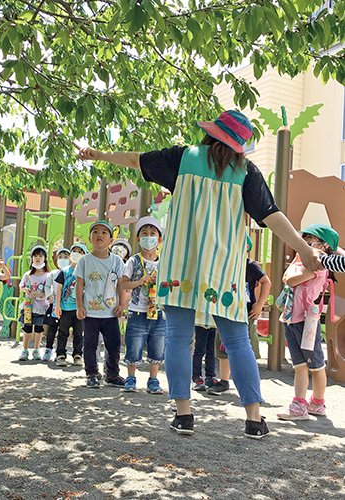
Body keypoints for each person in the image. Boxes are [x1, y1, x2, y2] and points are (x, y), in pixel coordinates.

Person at [75, 109, 322, 438]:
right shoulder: (245, 171)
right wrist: (304, 250)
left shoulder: (184, 158)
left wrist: (100, 154)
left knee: (178, 338)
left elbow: (137, 160)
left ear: (210, 134)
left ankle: (184, 415)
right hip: (225, 270)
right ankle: (253, 419)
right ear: (238, 145)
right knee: (237, 342)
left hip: (181, 266)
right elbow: (270, 214)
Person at [277, 224, 338, 421]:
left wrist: (296, 261)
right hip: (292, 318)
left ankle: (316, 402)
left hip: (307, 322)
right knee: (299, 364)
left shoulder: (317, 267)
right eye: (305, 240)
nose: (305, 244)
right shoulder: (304, 262)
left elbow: (290, 279)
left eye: (311, 241)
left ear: (325, 247)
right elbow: (286, 277)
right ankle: (301, 403)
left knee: (316, 365)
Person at [209, 235, 272, 395]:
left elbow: (267, 282)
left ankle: (250, 381)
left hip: (246, 312)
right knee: (222, 347)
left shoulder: (250, 266)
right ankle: (224, 380)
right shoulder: (223, 265)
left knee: (247, 345)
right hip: (225, 311)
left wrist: (259, 304)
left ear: (246, 248)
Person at [75, 221, 126, 388]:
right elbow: (80, 285)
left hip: (111, 312)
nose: (99, 235)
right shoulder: (84, 261)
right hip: (90, 313)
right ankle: (91, 373)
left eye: (104, 233)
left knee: (114, 343)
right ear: (90, 238)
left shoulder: (117, 261)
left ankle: (112, 374)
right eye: (95, 232)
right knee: (90, 344)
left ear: (111, 240)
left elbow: (120, 285)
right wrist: (80, 306)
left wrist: (122, 304)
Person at [121, 216, 166, 394]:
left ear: (159, 239)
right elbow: (124, 284)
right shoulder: (133, 261)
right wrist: (141, 281)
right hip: (137, 311)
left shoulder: (164, 261)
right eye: (144, 234)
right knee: (134, 345)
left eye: (153, 234)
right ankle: (130, 378)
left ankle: (153, 380)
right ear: (138, 239)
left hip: (159, 312)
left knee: (157, 346)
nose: (149, 237)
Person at [54, 243, 88, 366]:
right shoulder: (64, 271)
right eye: (74, 250)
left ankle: (78, 355)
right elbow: (59, 289)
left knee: (79, 333)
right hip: (65, 308)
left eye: (80, 251)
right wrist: (57, 305)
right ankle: (60, 355)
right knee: (63, 332)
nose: (76, 253)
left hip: (79, 308)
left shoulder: (85, 272)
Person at [18, 245, 50, 361]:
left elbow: (49, 290)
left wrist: (41, 295)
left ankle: (36, 350)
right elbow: (21, 286)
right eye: (35, 255)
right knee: (27, 328)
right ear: (31, 258)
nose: (38, 258)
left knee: (39, 328)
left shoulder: (48, 275)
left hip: (41, 307)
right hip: (28, 306)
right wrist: (26, 290)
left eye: (40, 255)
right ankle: (25, 350)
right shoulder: (28, 274)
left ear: (45, 258)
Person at [43, 247, 70, 362]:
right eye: (60, 257)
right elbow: (47, 286)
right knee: (52, 329)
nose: (63, 259)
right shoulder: (53, 273)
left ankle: (60, 351)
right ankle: (48, 349)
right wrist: (49, 296)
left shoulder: (71, 272)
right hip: (54, 305)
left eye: (65, 257)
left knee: (63, 330)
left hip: (67, 306)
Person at [192, 326, 217, 392]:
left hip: (213, 323)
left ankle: (210, 376)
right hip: (201, 322)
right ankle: (196, 377)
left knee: (211, 351)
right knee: (200, 350)